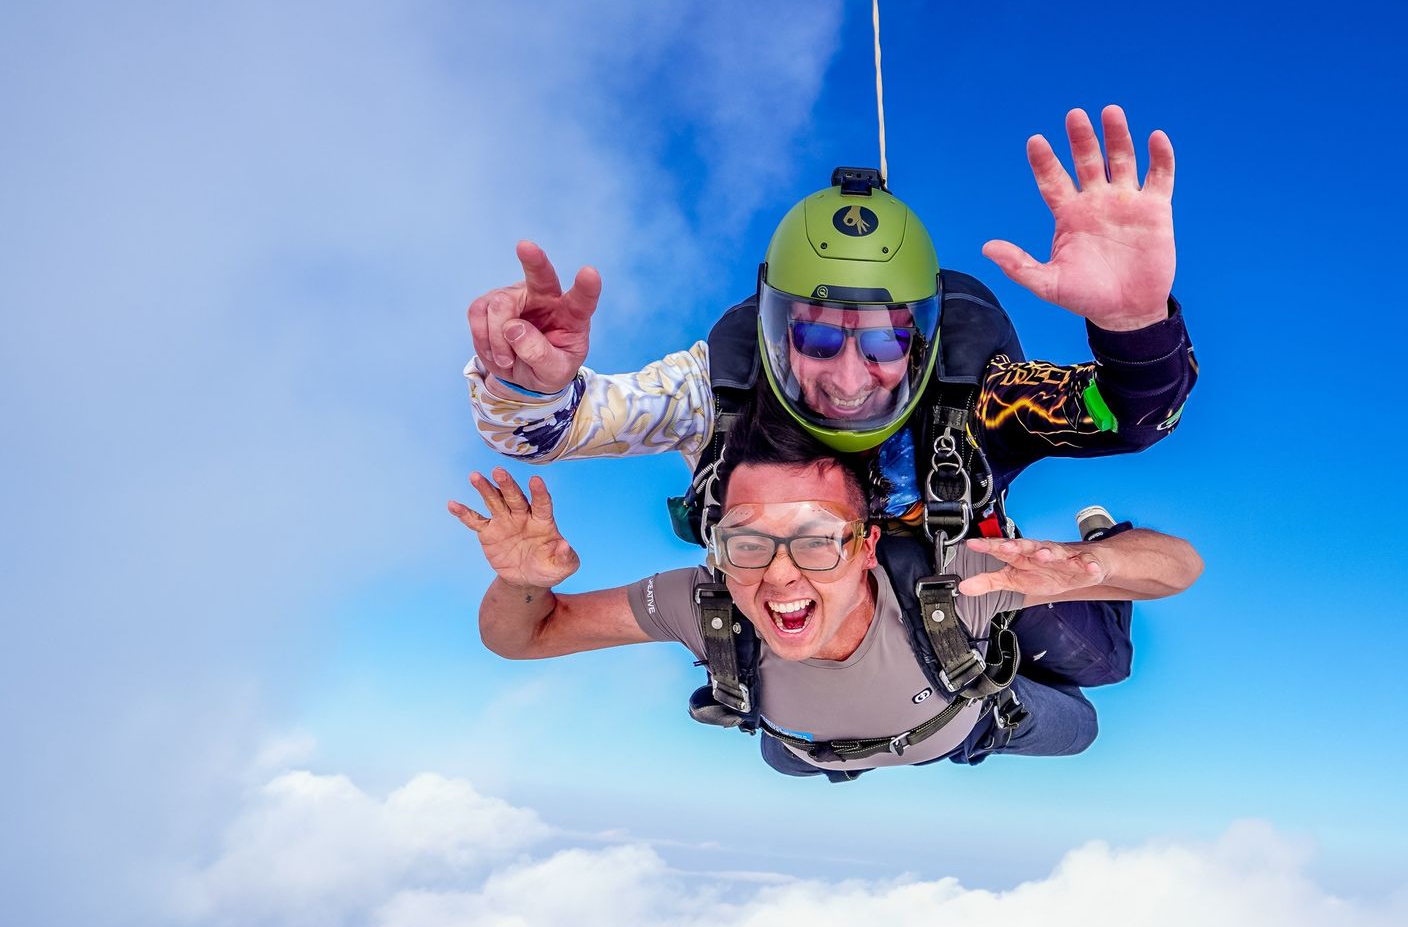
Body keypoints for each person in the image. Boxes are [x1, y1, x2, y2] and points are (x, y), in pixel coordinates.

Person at [460, 106, 1195, 696]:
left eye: (884, 346)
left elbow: (1123, 414)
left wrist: (1134, 328)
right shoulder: (717, 389)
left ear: (927, 341)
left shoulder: (980, 398)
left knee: (1097, 664)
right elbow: (560, 428)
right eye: (815, 340)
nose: (849, 379)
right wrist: (533, 385)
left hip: (962, 571)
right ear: (775, 331)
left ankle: (1103, 538)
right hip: (810, 597)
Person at [447, 418, 1202, 781]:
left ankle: (1106, 530)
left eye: (814, 542)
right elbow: (525, 636)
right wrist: (521, 584)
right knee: (792, 758)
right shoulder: (702, 600)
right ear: (717, 551)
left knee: (1098, 681)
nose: (779, 577)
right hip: (815, 748)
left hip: (971, 721)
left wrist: (1083, 565)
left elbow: (1179, 567)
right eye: (747, 543)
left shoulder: (953, 583)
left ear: (866, 546)